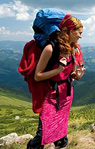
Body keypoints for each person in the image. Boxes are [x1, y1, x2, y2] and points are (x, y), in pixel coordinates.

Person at [27, 14, 84, 149]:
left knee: (61, 130)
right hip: (50, 95)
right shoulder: (50, 49)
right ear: (68, 31)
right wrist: (58, 70)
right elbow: (38, 76)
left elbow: (72, 74)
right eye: (79, 33)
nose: (81, 36)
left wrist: (78, 75)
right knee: (42, 134)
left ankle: (61, 145)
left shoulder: (74, 48)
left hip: (66, 94)